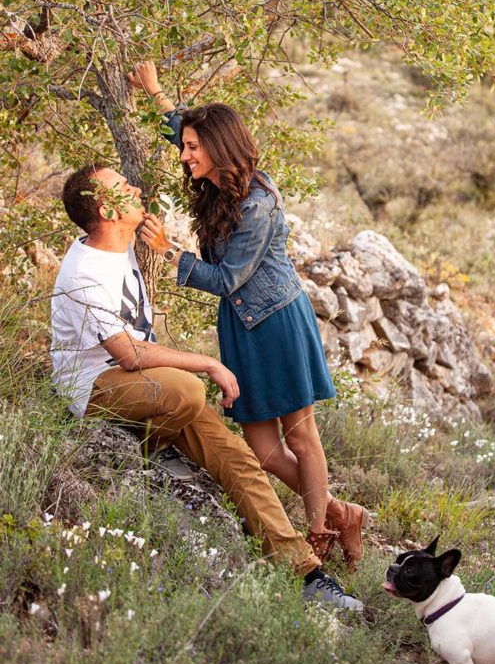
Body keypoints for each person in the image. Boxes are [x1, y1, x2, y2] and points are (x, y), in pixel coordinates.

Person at [50, 162, 363, 611]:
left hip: (138, 384)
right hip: (94, 387)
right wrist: (207, 364)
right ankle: (141, 445)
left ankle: (307, 571)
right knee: (187, 391)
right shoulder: (84, 271)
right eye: (122, 187)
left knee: (237, 457)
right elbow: (127, 353)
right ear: (106, 208)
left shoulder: (122, 246)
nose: (135, 187)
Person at [128, 61, 369, 566]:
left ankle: (318, 530)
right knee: (261, 450)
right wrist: (154, 92)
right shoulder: (214, 177)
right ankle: (342, 512)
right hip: (242, 330)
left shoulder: (258, 202)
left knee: (302, 436)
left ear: (218, 149)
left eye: (195, 148)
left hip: (278, 324)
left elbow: (224, 280)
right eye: (188, 147)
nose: (186, 154)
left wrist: (169, 251)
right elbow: (179, 128)